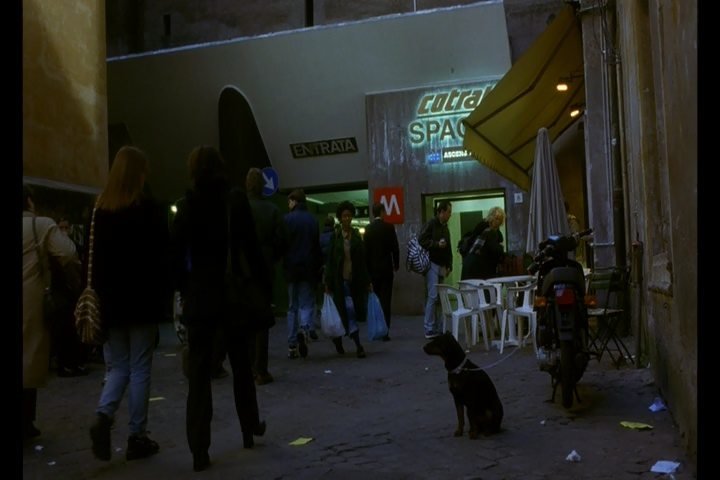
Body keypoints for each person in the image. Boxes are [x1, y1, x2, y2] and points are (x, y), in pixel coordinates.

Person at [171, 145, 267, 472]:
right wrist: (260, 285)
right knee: (241, 364)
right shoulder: (234, 201)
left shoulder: (186, 206)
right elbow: (251, 248)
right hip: (231, 295)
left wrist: (184, 289)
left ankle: (199, 448)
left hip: (200, 299)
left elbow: (175, 258)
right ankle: (249, 425)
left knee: (199, 374)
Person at [88, 146, 171, 462]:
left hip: (111, 304)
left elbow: (94, 261)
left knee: (119, 366)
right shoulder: (150, 210)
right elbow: (162, 259)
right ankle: (137, 436)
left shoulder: (100, 210)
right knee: (140, 368)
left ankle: (104, 414)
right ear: (139, 174)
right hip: (142, 302)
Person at [22, 185, 80, 441]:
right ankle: (25, 420)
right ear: (29, 201)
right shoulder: (41, 225)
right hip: (31, 297)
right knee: (29, 356)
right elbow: (67, 252)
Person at [245, 167, 287, 384]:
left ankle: (249, 366)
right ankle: (261, 369)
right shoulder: (272, 210)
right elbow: (281, 241)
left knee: (246, 319)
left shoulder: (239, 209)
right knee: (262, 319)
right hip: (265, 267)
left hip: (244, 269)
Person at [324, 200, 370, 358]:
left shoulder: (356, 236)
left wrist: (367, 281)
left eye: (349, 215)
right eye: (344, 216)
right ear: (340, 218)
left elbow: (362, 261)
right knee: (347, 311)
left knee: (349, 311)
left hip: (353, 281)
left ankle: (340, 340)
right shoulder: (335, 237)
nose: (347, 218)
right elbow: (330, 261)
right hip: (340, 282)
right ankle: (357, 345)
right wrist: (327, 282)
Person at [283, 189, 322, 359]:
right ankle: (304, 329)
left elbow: (283, 244)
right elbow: (316, 247)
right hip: (308, 269)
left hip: (291, 269)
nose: (288, 204)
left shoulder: (287, 220)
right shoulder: (312, 220)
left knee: (292, 306)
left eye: (289, 201)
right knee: (306, 304)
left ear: (294, 201)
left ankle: (292, 344)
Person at [51, 218, 88, 377]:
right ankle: (67, 363)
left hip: (70, 292)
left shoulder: (71, 246)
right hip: (62, 292)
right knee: (65, 329)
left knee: (72, 329)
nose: (64, 230)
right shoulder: (60, 249)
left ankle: (73, 362)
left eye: (66, 227)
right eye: (62, 227)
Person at [363, 202, 399, 341]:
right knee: (386, 301)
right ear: (382, 212)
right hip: (386, 270)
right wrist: (396, 264)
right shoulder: (389, 228)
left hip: (373, 271)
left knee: (375, 301)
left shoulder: (368, 229)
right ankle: (385, 332)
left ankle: (376, 328)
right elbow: (395, 248)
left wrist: (367, 273)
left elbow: (365, 253)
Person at [419, 200, 453, 339]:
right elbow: (421, 240)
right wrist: (436, 244)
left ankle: (439, 327)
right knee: (433, 296)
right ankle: (429, 328)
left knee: (440, 297)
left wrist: (449, 264)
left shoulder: (445, 227)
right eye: (449, 212)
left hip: (442, 265)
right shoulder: (431, 224)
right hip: (432, 264)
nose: (450, 214)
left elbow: (449, 247)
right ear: (441, 212)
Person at [460, 206, 506, 280]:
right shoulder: (487, 230)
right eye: (496, 218)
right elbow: (495, 249)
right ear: (491, 217)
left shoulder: (492, 231)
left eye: (499, 220)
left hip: (473, 264)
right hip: (478, 266)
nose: (497, 222)